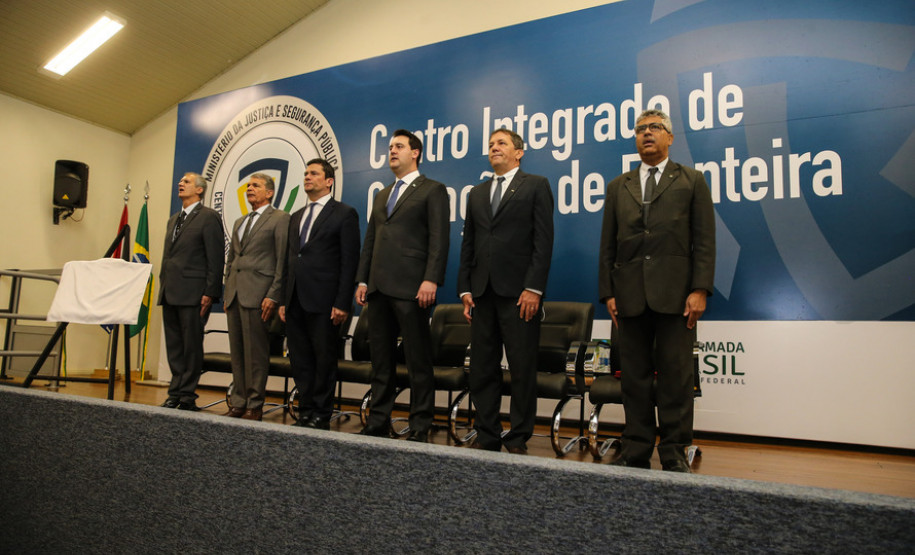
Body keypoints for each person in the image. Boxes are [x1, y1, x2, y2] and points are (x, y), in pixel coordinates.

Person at [598, 109, 715, 472]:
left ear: (670, 138)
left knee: (677, 379)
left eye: (654, 128)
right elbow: (608, 246)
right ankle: (636, 449)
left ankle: (674, 450)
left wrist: (700, 289)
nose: (646, 134)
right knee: (633, 379)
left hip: (676, 297)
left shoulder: (692, 180)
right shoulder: (620, 185)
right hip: (629, 295)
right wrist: (608, 293)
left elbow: (704, 241)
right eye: (640, 129)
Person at [457, 128, 554, 454]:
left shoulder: (536, 185)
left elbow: (543, 242)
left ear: (519, 152)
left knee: (522, 369)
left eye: (501, 143)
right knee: (483, 369)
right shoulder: (477, 193)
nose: (494, 148)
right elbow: (468, 242)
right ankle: (487, 435)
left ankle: (518, 437)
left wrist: (533, 288)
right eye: (490, 144)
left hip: (519, 296)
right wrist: (464, 289)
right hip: (482, 293)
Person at [355, 129, 449, 442]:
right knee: (381, 361)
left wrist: (431, 278)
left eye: (399, 146)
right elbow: (371, 240)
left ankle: (421, 424)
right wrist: (363, 279)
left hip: (413, 288)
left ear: (416, 153)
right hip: (379, 288)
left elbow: (439, 238)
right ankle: (378, 421)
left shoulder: (432, 190)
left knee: (417, 361)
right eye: (390, 147)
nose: (392, 151)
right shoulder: (383, 194)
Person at [279, 159, 360, 430]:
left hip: (325, 301)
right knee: (300, 359)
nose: (307, 177)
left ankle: (322, 413)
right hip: (295, 300)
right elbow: (290, 260)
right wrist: (282, 299)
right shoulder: (296, 216)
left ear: (329, 181)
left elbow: (350, 262)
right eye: (305, 173)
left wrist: (342, 302)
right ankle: (306, 410)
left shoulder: (344, 214)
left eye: (314, 173)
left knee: (323, 359)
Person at [223, 173, 290, 421]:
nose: (250, 188)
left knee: (256, 353)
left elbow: (282, 259)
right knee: (237, 352)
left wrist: (274, 294)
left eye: (256, 186)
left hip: (259, 294)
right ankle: (239, 401)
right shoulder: (240, 221)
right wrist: (227, 288)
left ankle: (255, 403)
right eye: (248, 185)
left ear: (269, 193)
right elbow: (232, 259)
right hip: (235, 293)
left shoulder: (280, 219)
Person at [158, 172, 224, 411]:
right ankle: (174, 393)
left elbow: (216, 258)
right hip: (170, 291)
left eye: (186, 182)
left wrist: (210, 292)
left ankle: (187, 396)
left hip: (194, 293)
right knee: (174, 346)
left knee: (191, 346)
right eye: (181, 181)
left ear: (199, 190)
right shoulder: (173, 219)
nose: (181, 183)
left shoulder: (209, 217)